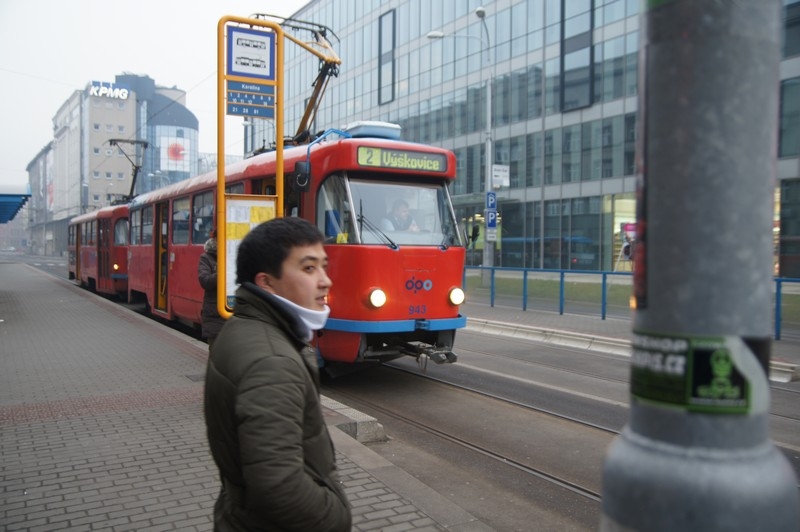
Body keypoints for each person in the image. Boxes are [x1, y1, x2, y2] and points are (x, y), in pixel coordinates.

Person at [203, 217, 351, 531]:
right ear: (266, 282)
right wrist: (336, 516)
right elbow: (278, 487)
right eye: (309, 268)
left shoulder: (243, 327)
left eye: (323, 266)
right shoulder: (272, 362)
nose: (326, 281)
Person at [197, 230, 224, 346]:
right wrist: (223, 272)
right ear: (215, 239)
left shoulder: (235, 255)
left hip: (234, 317)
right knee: (216, 356)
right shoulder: (206, 258)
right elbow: (205, 281)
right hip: (214, 315)